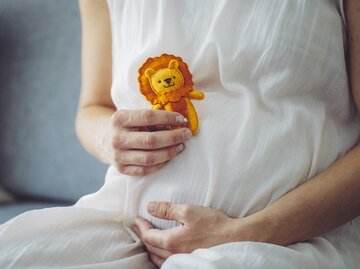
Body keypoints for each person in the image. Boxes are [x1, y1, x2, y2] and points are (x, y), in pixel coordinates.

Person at [0, 0, 359, 268]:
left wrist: (246, 233)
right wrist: (107, 139)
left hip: (292, 240)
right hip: (128, 227)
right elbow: (92, 109)